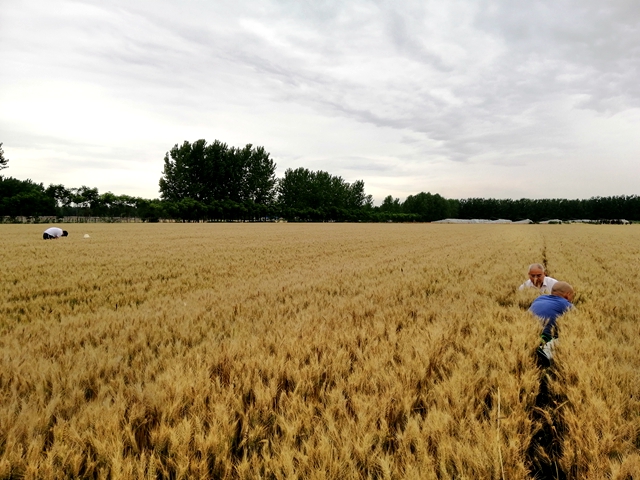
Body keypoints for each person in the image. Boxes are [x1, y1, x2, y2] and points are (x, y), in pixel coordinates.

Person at [529, 281, 574, 366]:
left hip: (526, 332)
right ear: (568, 294)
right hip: (546, 337)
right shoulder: (566, 304)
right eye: (572, 295)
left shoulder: (539, 298)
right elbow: (578, 322)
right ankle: (547, 352)